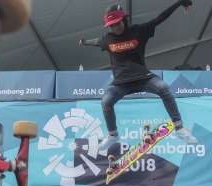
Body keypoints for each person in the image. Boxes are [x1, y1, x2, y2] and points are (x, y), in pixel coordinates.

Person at [80, 0, 198, 150]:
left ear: (124, 20)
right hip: (120, 83)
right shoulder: (107, 39)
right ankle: (113, 135)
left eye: (117, 24)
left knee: (163, 87)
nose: (114, 28)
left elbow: (159, 19)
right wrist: (84, 41)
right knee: (106, 101)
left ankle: (180, 128)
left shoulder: (139, 31)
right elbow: (96, 41)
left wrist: (179, 3)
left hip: (143, 78)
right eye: (111, 26)